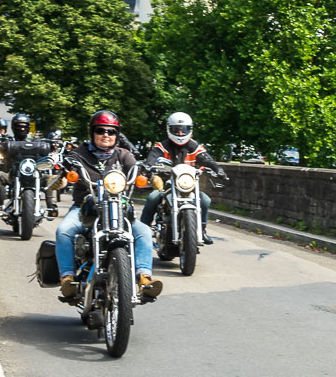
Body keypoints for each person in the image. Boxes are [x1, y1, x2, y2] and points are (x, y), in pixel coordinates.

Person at [55, 111, 162, 300]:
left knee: (144, 231)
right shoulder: (78, 155)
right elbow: (66, 175)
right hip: (84, 207)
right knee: (64, 231)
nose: (106, 135)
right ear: (92, 132)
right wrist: (60, 179)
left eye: (111, 131)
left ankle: (144, 278)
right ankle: (67, 278)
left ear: (117, 134)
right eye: (100, 130)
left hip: (118, 207)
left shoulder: (123, 155)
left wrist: (150, 178)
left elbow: (137, 172)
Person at [140, 112, 227, 244]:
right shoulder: (162, 146)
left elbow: (206, 159)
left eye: (184, 130)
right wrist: (147, 166)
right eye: (176, 129)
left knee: (205, 200)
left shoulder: (195, 147)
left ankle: (202, 230)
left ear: (189, 130)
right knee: (153, 197)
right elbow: (153, 156)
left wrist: (217, 169)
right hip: (166, 185)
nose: (180, 133)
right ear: (169, 129)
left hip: (187, 186)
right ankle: (143, 231)